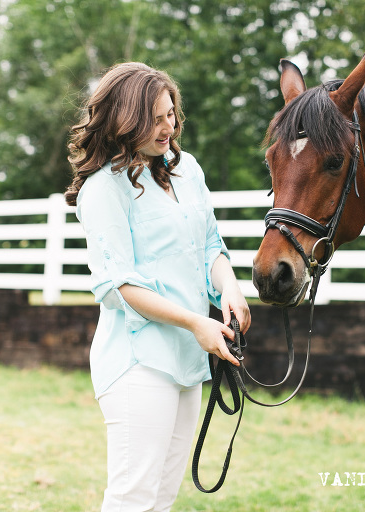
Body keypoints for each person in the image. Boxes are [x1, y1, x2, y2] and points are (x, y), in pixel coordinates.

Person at [65, 62, 251, 511]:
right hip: (139, 361)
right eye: (155, 119)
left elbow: (210, 246)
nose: (168, 128)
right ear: (125, 121)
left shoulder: (187, 170)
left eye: (171, 114)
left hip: (188, 358)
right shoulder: (103, 189)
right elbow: (119, 286)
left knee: (162, 498)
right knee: (133, 498)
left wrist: (229, 287)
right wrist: (195, 322)